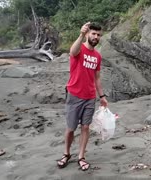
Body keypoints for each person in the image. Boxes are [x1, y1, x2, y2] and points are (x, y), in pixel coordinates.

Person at [57, 22, 108, 171]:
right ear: (87, 34)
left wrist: (102, 96)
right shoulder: (80, 49)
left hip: (90, 97)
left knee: (85, 127)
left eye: (98, 35)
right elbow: (72, 52)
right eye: (93, 33)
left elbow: (97, 78)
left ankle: (81, 156)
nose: (96, 37)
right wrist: (80, 34)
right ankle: (66, 154)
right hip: (74, 95)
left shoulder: (97, 56)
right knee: (71, 128)